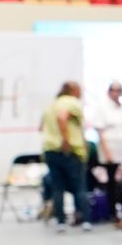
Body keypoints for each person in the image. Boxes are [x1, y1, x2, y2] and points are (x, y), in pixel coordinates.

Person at [38, 80, 90, 227]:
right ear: (73, 91)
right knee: (79, 187)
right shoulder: (72, 103)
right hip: (70, 151)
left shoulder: (51, 106)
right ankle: (85, 219)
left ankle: (60, 221)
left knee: (57, 187)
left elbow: (40, 127)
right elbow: (62, 117)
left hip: (50, 150)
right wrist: (66, 141)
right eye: (80, 90)